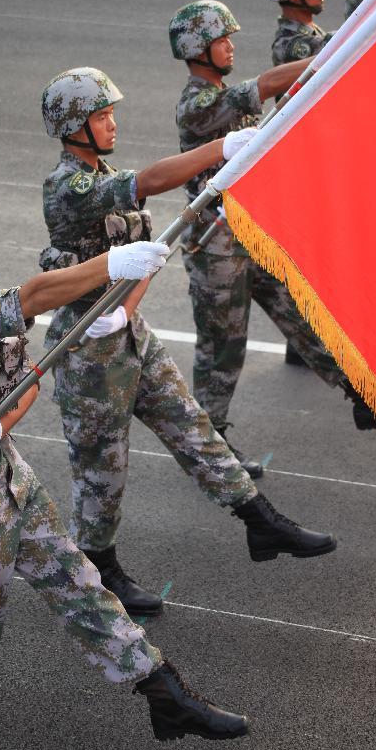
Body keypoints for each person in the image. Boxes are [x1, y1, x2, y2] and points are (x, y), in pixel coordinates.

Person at [0, 162, 252, 750]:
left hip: (4, 471)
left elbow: (25, 380)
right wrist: (110, 267)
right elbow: (32, 299)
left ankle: (163, 691)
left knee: (77, 579)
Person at [40, 66, 337, 617]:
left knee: (195, 429)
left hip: (126, 333)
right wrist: (220, 146)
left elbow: (146, 255)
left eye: (110, 114)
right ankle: (99, 572)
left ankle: (261, 523)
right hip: (86, 348)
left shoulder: (104, 172)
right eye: (101, 116)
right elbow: (149, 182)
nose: (112, 123)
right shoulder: (67, 187)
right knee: (102, 472)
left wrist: (126, 313)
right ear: (73, 127)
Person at [170, 0, 376, 449]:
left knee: (303, 312)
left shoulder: (222, 97)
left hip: (249, 232)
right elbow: (265, 84)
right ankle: (213, 446)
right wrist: (336, 51)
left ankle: (359, 392)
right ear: (197, 49)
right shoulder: (197, 104)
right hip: (215, 248)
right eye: (220, 40)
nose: (230, 47)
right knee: (223, 348)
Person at [266, 0, 337, 366]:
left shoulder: (308, 36)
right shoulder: (296, 45)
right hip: (308, 162)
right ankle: (306, 346)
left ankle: (302, 346)